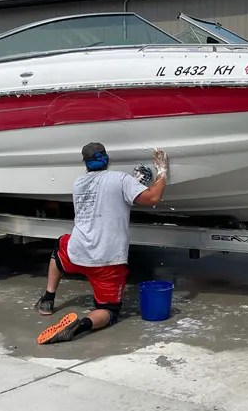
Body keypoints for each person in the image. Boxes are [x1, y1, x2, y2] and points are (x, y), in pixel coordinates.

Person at [36, 142, 168, 344]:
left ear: (85, 164)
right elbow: (152, 197)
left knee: (59, 247)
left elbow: (105, 194)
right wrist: (161, 172)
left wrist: (131, 183)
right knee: (109, 311)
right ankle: (80, 325)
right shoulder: (120, 180)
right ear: (108, 159)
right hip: (108, 262)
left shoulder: (79, 183)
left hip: (77, 253)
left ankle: (47, 300)